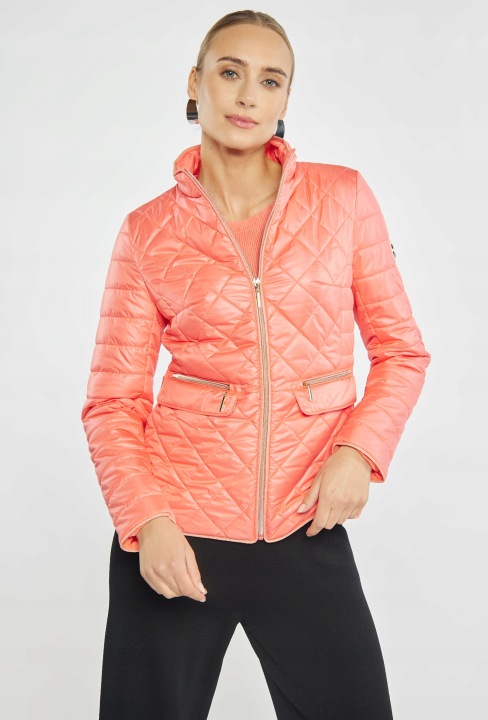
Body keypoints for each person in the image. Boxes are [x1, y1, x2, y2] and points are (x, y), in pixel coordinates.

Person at [81, 9, 431, 720]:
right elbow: (113, 403)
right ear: (195, 83)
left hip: (305, 523)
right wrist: (147, 521)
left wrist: (358, 451)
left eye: (270, 81)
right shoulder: (147, 232)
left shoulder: (343, 199)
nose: (247, 95)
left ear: (285, 99)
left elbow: (401, 350)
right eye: (230, 72)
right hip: (177, 532)